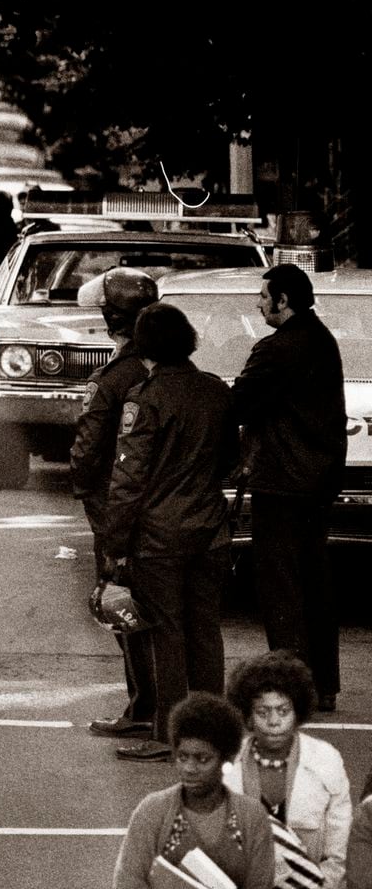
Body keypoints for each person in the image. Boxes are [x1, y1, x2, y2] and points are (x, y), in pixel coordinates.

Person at [104, 303, 239, 762]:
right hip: (209, 527)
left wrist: (113, 545)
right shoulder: (216, 391)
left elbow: (128, 479)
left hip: (159, 535)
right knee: (205, 630)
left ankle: (167, 733)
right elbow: (228, 460)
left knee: (166, 632)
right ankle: (213, 731)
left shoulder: (146, 398)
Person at [232, 264, 347, 712]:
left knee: (280, 588)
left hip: (281, 482)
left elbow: (240, 403)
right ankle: (323, 684)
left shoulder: (278, 348)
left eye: (264, 296)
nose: (259, 303)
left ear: (284, 300)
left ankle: (293, 684)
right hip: (318, 481)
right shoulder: (324, 341)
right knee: (315, 582)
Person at [69, 268, 161, 739]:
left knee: (122, 602)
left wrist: (84, 487)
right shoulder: (159, 367)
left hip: (115, 502)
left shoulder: (112, 376)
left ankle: (142, 707)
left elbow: (87, 449)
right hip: (156, 502)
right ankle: (152, 703)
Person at [113, 692, 276, 889]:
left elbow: (261, 884)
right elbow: (128, 881)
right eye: (182, 757)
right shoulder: (152, 811)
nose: (189, 768)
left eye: (202, 759)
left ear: (226, 760)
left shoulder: (252, 817)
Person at [225, 651, 353, 887]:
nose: (274, 721)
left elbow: (338, 856)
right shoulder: (228, 766)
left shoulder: (326, 760)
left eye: (283, 711)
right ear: (248, 716)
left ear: (297, 713)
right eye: (262, 712)